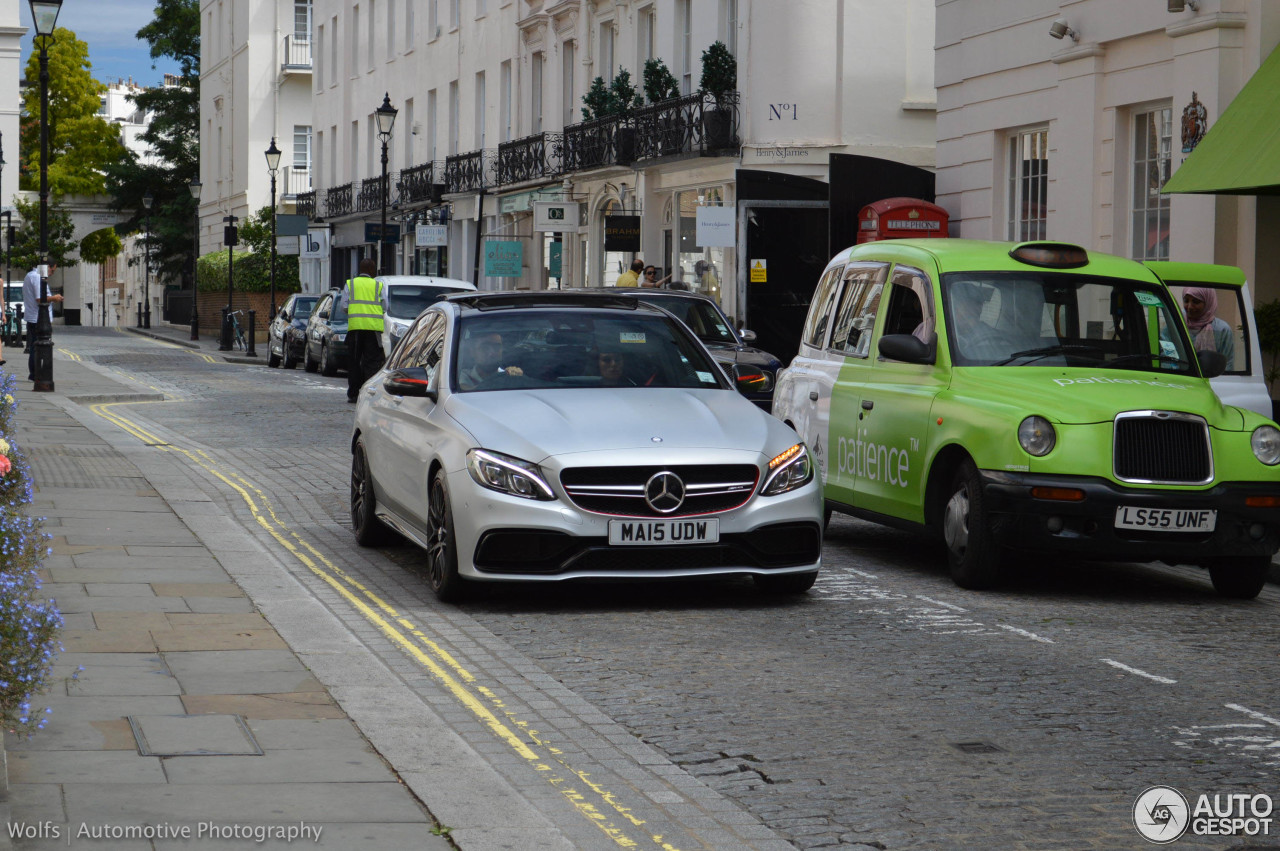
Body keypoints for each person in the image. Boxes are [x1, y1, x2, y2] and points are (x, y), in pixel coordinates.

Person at [342, 258, 386, 403]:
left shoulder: (351, 284)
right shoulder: (378, 285)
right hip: (373, 330)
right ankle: (369, 395)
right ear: (372, 271)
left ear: (360, 270)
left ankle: (353, 394)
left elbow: (344, 306)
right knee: (372, 362)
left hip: (355, 328)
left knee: (354, 362)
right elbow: (385, 306)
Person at [23, 263, 61, 381]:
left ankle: (35, 373)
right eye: (52, 270)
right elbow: (40, 298)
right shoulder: (36, 277)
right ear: (47, 267)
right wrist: (55, 298)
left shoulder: (30, 275)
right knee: (38, 346)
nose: (52, 273)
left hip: (34, 317)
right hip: (38, 318)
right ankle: (36, 374)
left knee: (35, 345)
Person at [1182, 286, 1234, 370]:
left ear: (1208, 302)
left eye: (1196, 301)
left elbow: (1227, 366)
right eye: (1186, 301)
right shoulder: (1177, 324)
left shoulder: (1221, 330)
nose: (1190, 307)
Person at [457, 331, 522, 389]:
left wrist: (517, 377)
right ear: (473, 352)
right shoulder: (461, 376)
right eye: (484, 348)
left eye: (497, 347)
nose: (492, 353)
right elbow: (463, 389)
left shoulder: (507, 374)